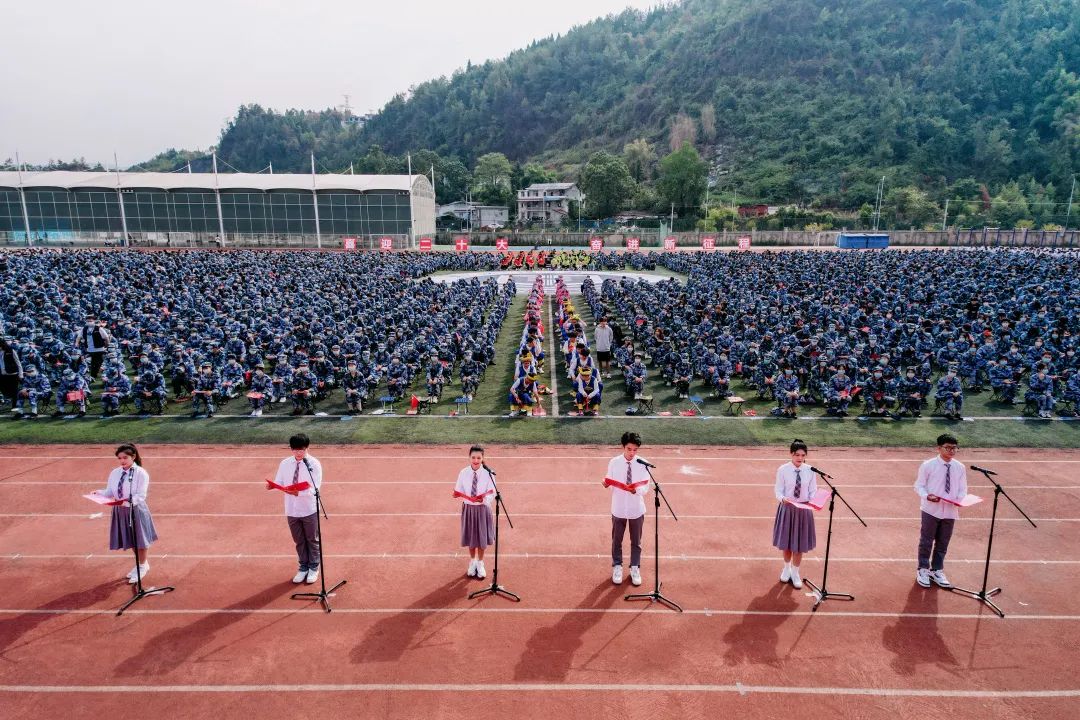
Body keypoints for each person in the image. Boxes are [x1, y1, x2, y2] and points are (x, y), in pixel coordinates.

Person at [96, 443, 159, 582]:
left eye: (125, 457)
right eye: (119, 458)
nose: (122, 461)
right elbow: (110, 491)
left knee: (140, 540)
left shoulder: (141, 473)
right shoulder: (115, 472)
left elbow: (141, 496)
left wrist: (125, 502)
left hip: (135, 510)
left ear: (133, 457)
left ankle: (142, 566)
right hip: (120, 510)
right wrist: (98, 493)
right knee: (130, 539)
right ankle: (142, 564)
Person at [266, 433, 323, 585]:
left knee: (312, 539)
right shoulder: (285, 463)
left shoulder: (314, 464)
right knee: (298, 540)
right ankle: (303, 567)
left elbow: (315, 489)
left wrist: (299, 492)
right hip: (291, 509)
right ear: (291, 449)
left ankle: (313, 567)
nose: (299, 453)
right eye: (295, 450)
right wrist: (273, 486)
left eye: (302, 450)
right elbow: (280, 481)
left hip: (308, 508)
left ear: (307, 448)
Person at [914, 433, 967, 589]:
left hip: (950, 511)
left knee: (943, 542)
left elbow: (963, 488)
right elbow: (919, 485)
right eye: (948, 447)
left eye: (954, 448)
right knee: (926, 541)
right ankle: (923, 569)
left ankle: (937, 569)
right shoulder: (928, 465)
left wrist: (960, 499)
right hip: (931, 509)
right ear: (939, 448)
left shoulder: (960, 467)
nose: (951, 451)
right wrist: (926, 496)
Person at [602, 431, 650, 587]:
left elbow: (646, 486)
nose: (632, 453)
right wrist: (606, 483)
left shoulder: (643, 463)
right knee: (617, 540)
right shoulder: (614, 462)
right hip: (619, 507)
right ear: (623, 447)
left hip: (636, 508)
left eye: (635, 450)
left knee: (636, 541)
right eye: (629, 449)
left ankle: (635, 567)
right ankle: (617, 566)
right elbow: (609, 480)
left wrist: (636, 490)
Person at [772, 439, 817, 589]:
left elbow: (813, 490)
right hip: (788, 509)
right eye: (797, 454)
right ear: (791, 454)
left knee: (799, 544)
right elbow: (778, 490)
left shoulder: (810, 470)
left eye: (803, 455)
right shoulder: (782, 470)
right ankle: (786, 568)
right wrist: (782, 498)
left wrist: (812, 500)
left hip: (803, 510)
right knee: (787, 543)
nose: (799, 458)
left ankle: (795, 572)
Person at [454, 445, 496, 579]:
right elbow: (458, 490)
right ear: (469, 458)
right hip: (469, 509)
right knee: (471, 537)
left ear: (483, 458)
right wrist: (466, 497)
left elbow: (492, 493)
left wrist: (483, 500)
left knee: (482, 536)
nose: (476, 460)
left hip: (483, 509)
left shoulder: (489, 473)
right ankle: (472, 561)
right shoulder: (463, 473)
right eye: (473, 457)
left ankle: (480, 562)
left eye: (479, 457)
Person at [0, 336, 23, 407]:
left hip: (12, 374)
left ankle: (14, 405)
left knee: (14, 390)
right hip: (2, 374)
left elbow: (18, 363)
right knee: (4, 389)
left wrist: (21, 374)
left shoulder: (11, 350)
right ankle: (7, 399)